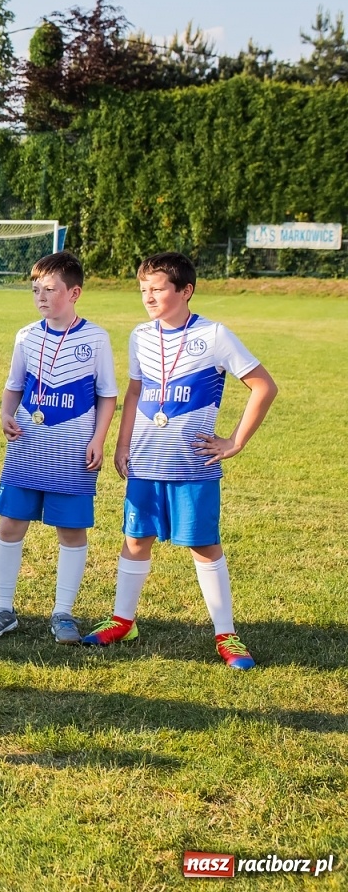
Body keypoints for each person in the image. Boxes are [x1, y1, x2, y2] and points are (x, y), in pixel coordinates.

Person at [83, 252, 277, 669]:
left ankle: (226, 634)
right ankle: (122, 620)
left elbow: (263, 386)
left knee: (204, 546)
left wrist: (235, 441)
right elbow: (135, 391)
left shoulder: (216, 335)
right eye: (143, 290)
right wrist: (122, 444)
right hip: (146, 461)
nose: (148, 297)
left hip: (193, 465)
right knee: (135, 540)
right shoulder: (140, 335)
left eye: (157, 289)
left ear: (185, 290)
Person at [0, 252, 117, 644]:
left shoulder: (96, 338)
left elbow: (107, 396)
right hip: (27, 447)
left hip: (72, 453)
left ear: (74, 293)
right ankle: (3, 608)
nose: (41, 296)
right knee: (9, 525)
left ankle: (64, 614)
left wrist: (98, 439)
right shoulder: (27, 335)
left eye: (50, 289)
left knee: (71, 531)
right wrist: (5, 414)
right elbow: (14, 384)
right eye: (36, 289)